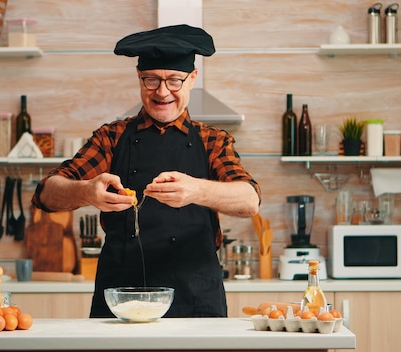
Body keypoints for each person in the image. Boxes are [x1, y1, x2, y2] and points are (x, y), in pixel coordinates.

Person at [32, 24, 261, 318]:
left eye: (174, 81)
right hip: (121, 300)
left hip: (196, 299)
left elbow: (250, 199)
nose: (162, 92)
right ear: (139, 78)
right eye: (151, 80)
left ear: (192, 78)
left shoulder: (212, 141)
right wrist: (86, 191)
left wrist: (197, 189)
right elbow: (46, 193)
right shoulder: (110, 138)